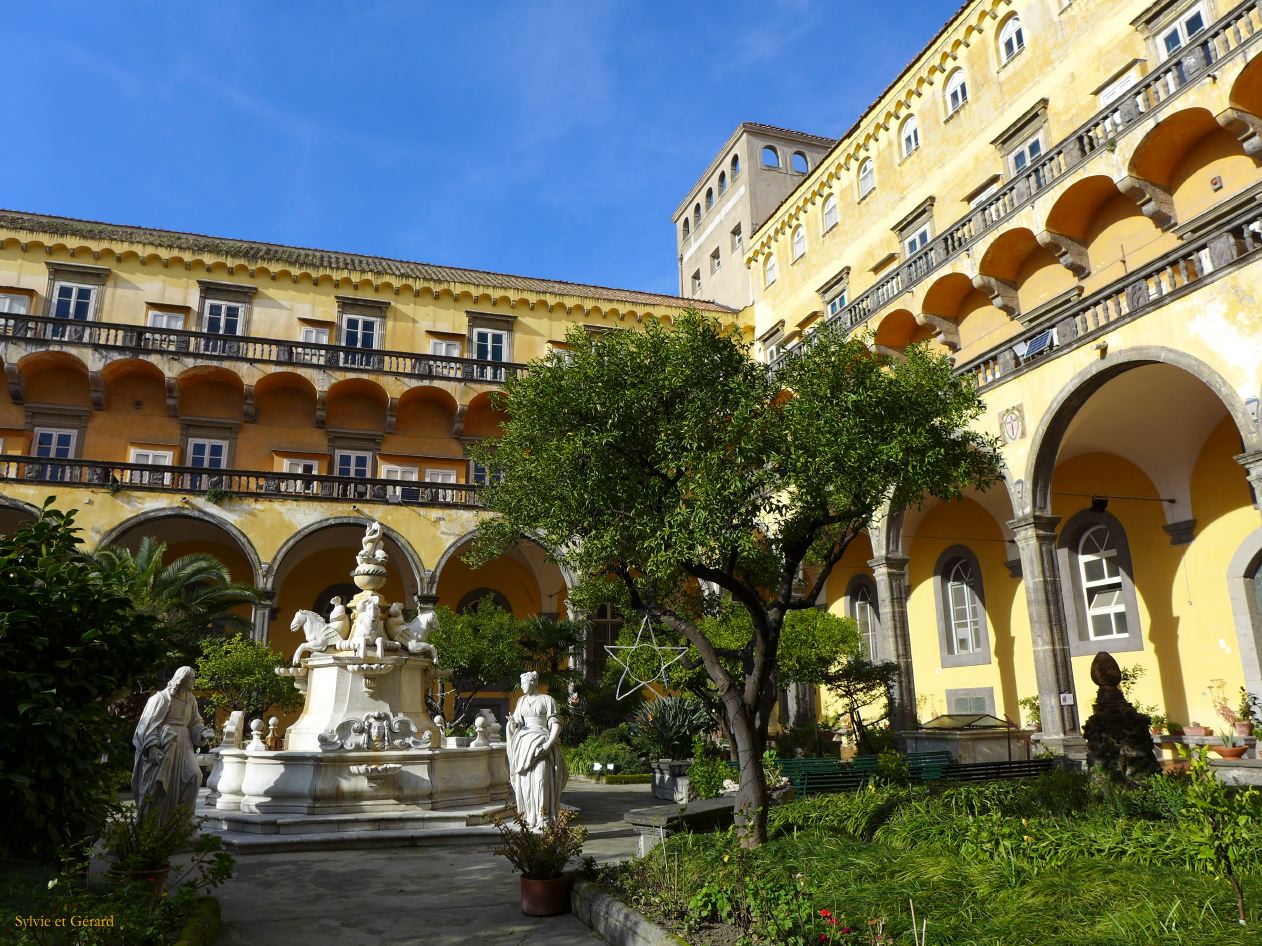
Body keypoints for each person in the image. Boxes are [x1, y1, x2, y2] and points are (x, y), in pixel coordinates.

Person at [131, 667, 210, 818]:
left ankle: (183, 820)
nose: (193, 681)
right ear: (182, 679)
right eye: (191, 678)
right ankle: (158, 823)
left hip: (184, 741)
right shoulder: (160, 698)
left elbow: (195, 722)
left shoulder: (190, 699)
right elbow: (148, 725)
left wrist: (202, 732)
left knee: (194, 776)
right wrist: (152, 747)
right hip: (166, 743)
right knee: (159, 785)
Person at [506, 670, 567, 830]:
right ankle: (528, 816)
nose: (522, 687)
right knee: (525, 784)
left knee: (541, 780)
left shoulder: (547, 700)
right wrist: (512, 725)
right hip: (524, 745)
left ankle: (543, 817)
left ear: (533, 683)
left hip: (541, 743)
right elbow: (518, 723)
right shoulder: (521, 701)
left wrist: (548, 744)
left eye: (524, 683)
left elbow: (556, 723)